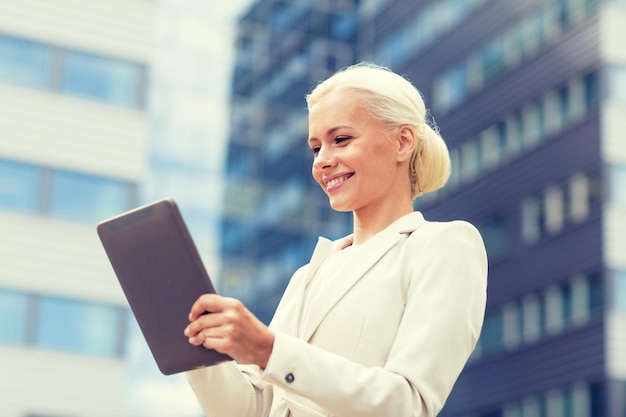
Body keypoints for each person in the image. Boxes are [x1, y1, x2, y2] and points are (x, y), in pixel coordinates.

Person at [183, 62, 488, 417]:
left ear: (402, 142)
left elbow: (409, 403)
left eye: (340, 139)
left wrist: (269, 350)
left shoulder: (444, 246)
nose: (322, 162)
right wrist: (190, 344)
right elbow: (251, 409)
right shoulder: (309, 275)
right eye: (315, 148)